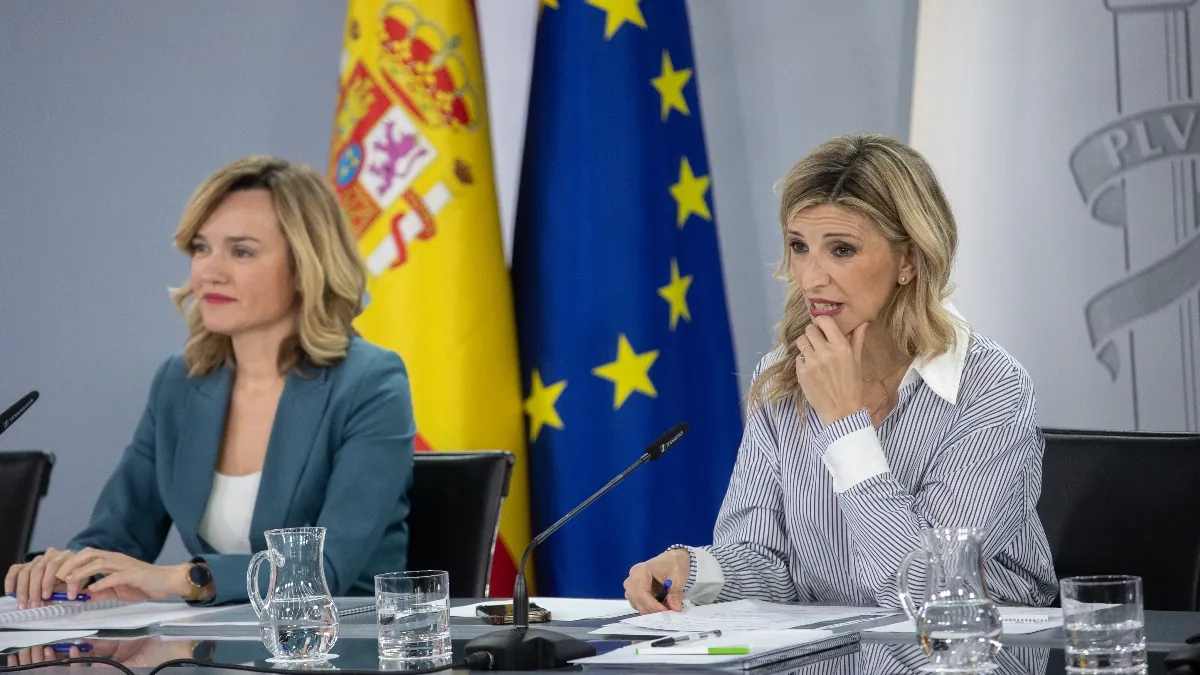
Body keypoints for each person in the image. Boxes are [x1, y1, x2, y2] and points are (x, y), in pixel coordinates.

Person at [624, 134, 1058, 612]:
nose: (811, 278)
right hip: (834, 649)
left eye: (842, 250)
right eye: (799, 246)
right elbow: (767, 561)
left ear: (909, 259)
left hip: (966, 646)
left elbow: (932, 589)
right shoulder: (784, 376)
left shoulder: (992, 387)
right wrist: (692, 570)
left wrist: (845, 425)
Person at [4, 156, 415, 607]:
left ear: (305, 267)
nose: (209, 272)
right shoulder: (179, 383)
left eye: (241, 251)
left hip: (345, 639)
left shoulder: (371, 383)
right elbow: (117, 535)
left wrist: (185, 578)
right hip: (219, 639)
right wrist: (65, 569)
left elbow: (325, 568)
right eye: (202, 248)